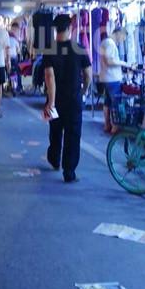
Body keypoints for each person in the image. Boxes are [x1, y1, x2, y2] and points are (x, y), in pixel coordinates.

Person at [43, 14, 92, 183]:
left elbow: (49, 77)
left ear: (55, 29)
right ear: (70, 28)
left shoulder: (49, 49)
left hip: (56, 99)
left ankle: (54, 159)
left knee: (55, 131)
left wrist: (51, 101)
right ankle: (69, 172)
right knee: (73, 134)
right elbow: (88, 74)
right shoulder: (79, 48)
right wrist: (84, 90)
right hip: (74, 99)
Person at [99, 27, 128, 134]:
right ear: (119, 33)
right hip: (112, 78)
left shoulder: (105, 42)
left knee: (107, 102)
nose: (122, 41)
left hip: (106, 77)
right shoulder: (110, 44)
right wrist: (124, 63)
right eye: (123, 37)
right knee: (115, 102)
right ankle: (115, 127)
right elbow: (109, 61)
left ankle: (107, 125)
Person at [8, 22, 24, 95]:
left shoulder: (8, 37)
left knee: (10, 72)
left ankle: (11, 85)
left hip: (7, 58)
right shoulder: (15, 39)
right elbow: (18, 50)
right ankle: (18, 87)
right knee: (17, 72)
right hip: (13, 58)